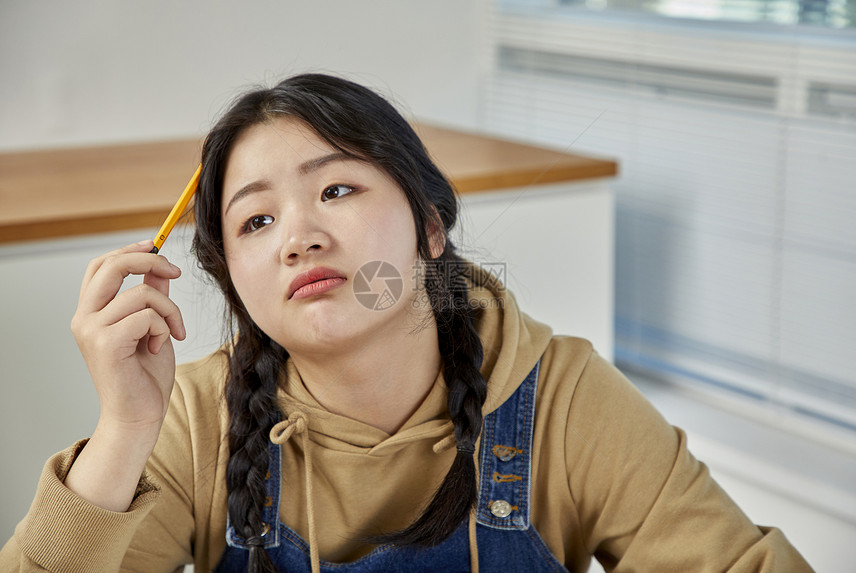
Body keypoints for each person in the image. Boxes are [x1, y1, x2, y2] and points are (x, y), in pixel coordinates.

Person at [1, 74, 812, 573]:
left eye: (338, 190)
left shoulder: (562, 393)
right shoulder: (193, 415)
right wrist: (123, 429)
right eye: (255, 222)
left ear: (429, 226)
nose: (299, 237)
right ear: (232, 284)